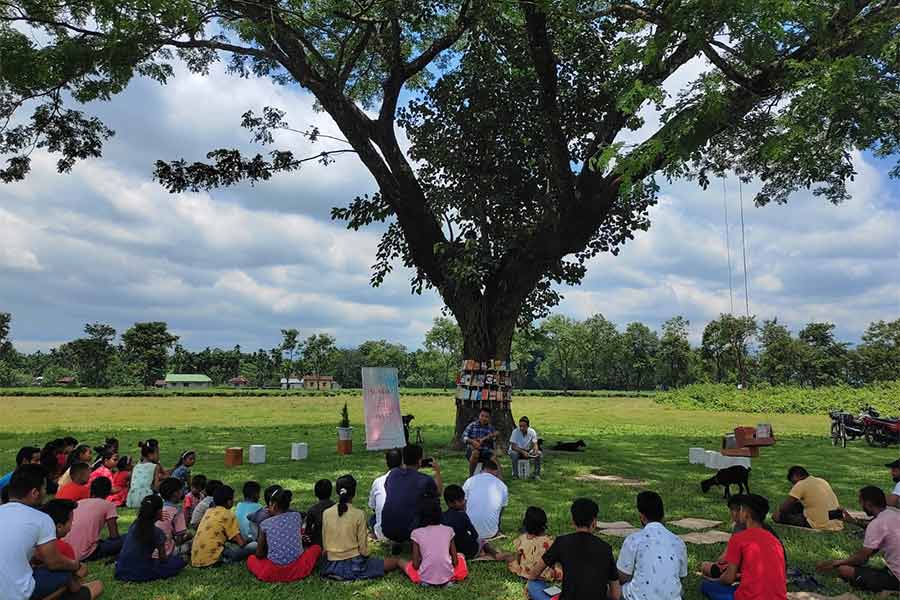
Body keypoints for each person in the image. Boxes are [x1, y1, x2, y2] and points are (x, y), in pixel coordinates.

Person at [0, 464, 82, 600]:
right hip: (15, 594)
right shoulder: (41, 519)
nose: (45, 492)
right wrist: (76, 565)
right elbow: (55, 562)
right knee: (65, 574)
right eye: (44, 488)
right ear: (34, 493)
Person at [526, 498, 620, 600]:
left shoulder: (561, 542)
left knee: (532, 584)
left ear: (573, 521)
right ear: (594, 522)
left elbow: (533, 574)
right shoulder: (606, 548)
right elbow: (615, 595)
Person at [700, 494, 786, 600]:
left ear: (746, 514)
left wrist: (716, 580)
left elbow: (728, 579)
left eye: (740, 509)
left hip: (749, 597)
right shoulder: (775, 540)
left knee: (706, 585)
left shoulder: (739, 538)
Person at [817, 485, 900, 593]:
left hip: (896, 578)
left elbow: (861, 558)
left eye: (861, 502)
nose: (861, 506)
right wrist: (852, 520)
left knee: (844, 570)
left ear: (869, 504)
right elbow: (874, 527)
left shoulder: (876, 524)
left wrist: (836, 563)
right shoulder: (893, 514)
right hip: (894, 570)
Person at [320, 474, 402, 581]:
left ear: (337, 492)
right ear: (354, 493)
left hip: (330, 565)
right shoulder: (359, 514)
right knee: (391, 562)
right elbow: (363, 550)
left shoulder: (326, 513)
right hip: (354, 565)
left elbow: (325, 545)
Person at [616, 491, 687, 600]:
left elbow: (623, 576)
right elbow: (681, 576)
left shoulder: (633, 540)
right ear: (663, 516)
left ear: (642, 517)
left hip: (638, 596)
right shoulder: (679, 542)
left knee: (613, 589)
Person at [247, 487, 321, 583]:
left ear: (273, 505)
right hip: (299, 568)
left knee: (251, 559)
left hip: (274, 572)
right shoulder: (297, 516)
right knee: (316, 548)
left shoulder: (265, 524)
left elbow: (259, 554)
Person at [40, 499, 103, 600]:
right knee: (97, 585)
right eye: (71, 522)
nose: (72, 525)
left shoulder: (33, 543)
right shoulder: (63, 548)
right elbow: (74, 587)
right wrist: (79, 571)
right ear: (59, 526)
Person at [115, 495, 187, 582]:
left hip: (121, 570)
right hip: (141, 572)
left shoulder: (134, 525)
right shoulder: (157, 533)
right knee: (181, 560)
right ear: (160, 511)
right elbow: (163, 560)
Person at [381, 444, 442, 546]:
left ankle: (398, 542)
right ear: (419, 461)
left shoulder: (393, 474)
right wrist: (437, 472)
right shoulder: (425, 480)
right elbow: (439, 492)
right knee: (433, 503)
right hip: (411, 530)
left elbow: (388, 488)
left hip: (387, 528)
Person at [398, 498, 468, 586]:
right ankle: (449, 581)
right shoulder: (449, 530)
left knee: (408, 565)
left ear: (420, 516)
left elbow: (415, 565)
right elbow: (455, 561)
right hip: (448, 577)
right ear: (440, 514)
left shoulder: (416, 533)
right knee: (461, 556)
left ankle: (425, 582)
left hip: (423, 578)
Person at [190, 485, 255, 567]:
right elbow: (241, 543)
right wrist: (248, 542)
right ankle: (226, 560)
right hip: (213, 559)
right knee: (253, 546)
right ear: (229, 502)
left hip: (195, 559)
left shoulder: (209, 511)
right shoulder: (228, 514)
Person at [64, 477, 123, 561]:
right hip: (86, 554)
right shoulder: (108, 505)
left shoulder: (79, 503)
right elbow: (114, 536)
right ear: (109, 491)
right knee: (126, 538)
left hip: (67, 553)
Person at [772, 466, 842, 531]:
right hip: (837, 522)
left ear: (795, 476)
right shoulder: (821, 481)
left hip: (820, 525)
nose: (794, 485)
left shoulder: (801, 484)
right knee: (797, 505)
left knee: (777, 516)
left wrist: (777, 512)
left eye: (793, 482)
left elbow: (784, 508)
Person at [509, 506, 563, 581]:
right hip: (544, 572)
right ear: (543, 526)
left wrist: (517, 565)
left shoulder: (522, 539)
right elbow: (553, 558)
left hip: (527, 571)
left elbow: (518, 555)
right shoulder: (548, 541)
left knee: (512, 562)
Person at [463, 459, 508, 541]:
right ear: (496, 472)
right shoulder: (503, 486)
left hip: (468, 531)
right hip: (491, 532)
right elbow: (501, 510)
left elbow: (463, 505)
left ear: (481, 470)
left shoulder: (470, 481)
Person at [368, 449, 403, 541]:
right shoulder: (409, 481)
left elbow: (372, 506)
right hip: (405, 532)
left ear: (387, 463)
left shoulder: (378, 481)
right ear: (402, 462)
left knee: (373, 518)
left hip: (383, 533)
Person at [156, 478, 193, 559]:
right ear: (176, 493)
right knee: (193, 543)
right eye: (182, 489)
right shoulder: (177, 511)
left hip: (149, 550)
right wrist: (188, 537)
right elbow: (179, 540)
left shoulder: (157, 508)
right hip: (165, 552)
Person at [462, 407, 501, 476]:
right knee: (475, 453)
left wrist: (491, 437)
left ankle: (500, 478)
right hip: (472, 450)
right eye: (482, 416)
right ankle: (471, 476)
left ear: (489, 418)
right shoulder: (472, 425)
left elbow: (496, 435)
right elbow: (464, 437)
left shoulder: (490, 428)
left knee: (494, 458)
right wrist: (472, 442)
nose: (483, 418)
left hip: (486, 451)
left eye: (486, 417)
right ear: (479, 416)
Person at [126, 443, 160, 509]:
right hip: (146, 499)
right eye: (156, 454)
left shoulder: (135, 466)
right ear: (150, 455)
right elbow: (156, 487)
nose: (157, 456)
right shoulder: (155, 466)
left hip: (132, 500)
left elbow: (130, 485)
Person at [303, 479, 334, 548]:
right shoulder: (338, 507)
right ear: (331, 492)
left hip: (319, 545)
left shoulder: (313, 510)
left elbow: (307, 532)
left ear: (316, 493)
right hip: (336, 542)